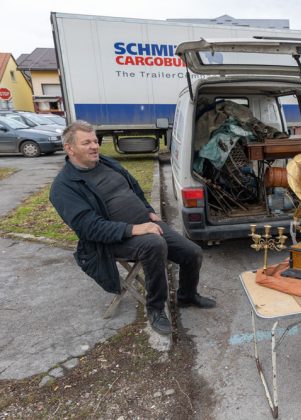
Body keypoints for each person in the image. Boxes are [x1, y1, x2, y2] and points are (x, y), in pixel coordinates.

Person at [50, 120, 215, 335]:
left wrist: (148, 210)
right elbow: (89, 228)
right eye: (86, 143)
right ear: (69, 148)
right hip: (110, 240)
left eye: (95, 141)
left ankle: (187, 296)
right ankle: (155, 309)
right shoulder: (63, 187)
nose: (94, 146)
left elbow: (133, 185)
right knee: (154, 245)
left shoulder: (106, 162)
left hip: (146, 224)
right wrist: (134, 229)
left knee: (193, 252)